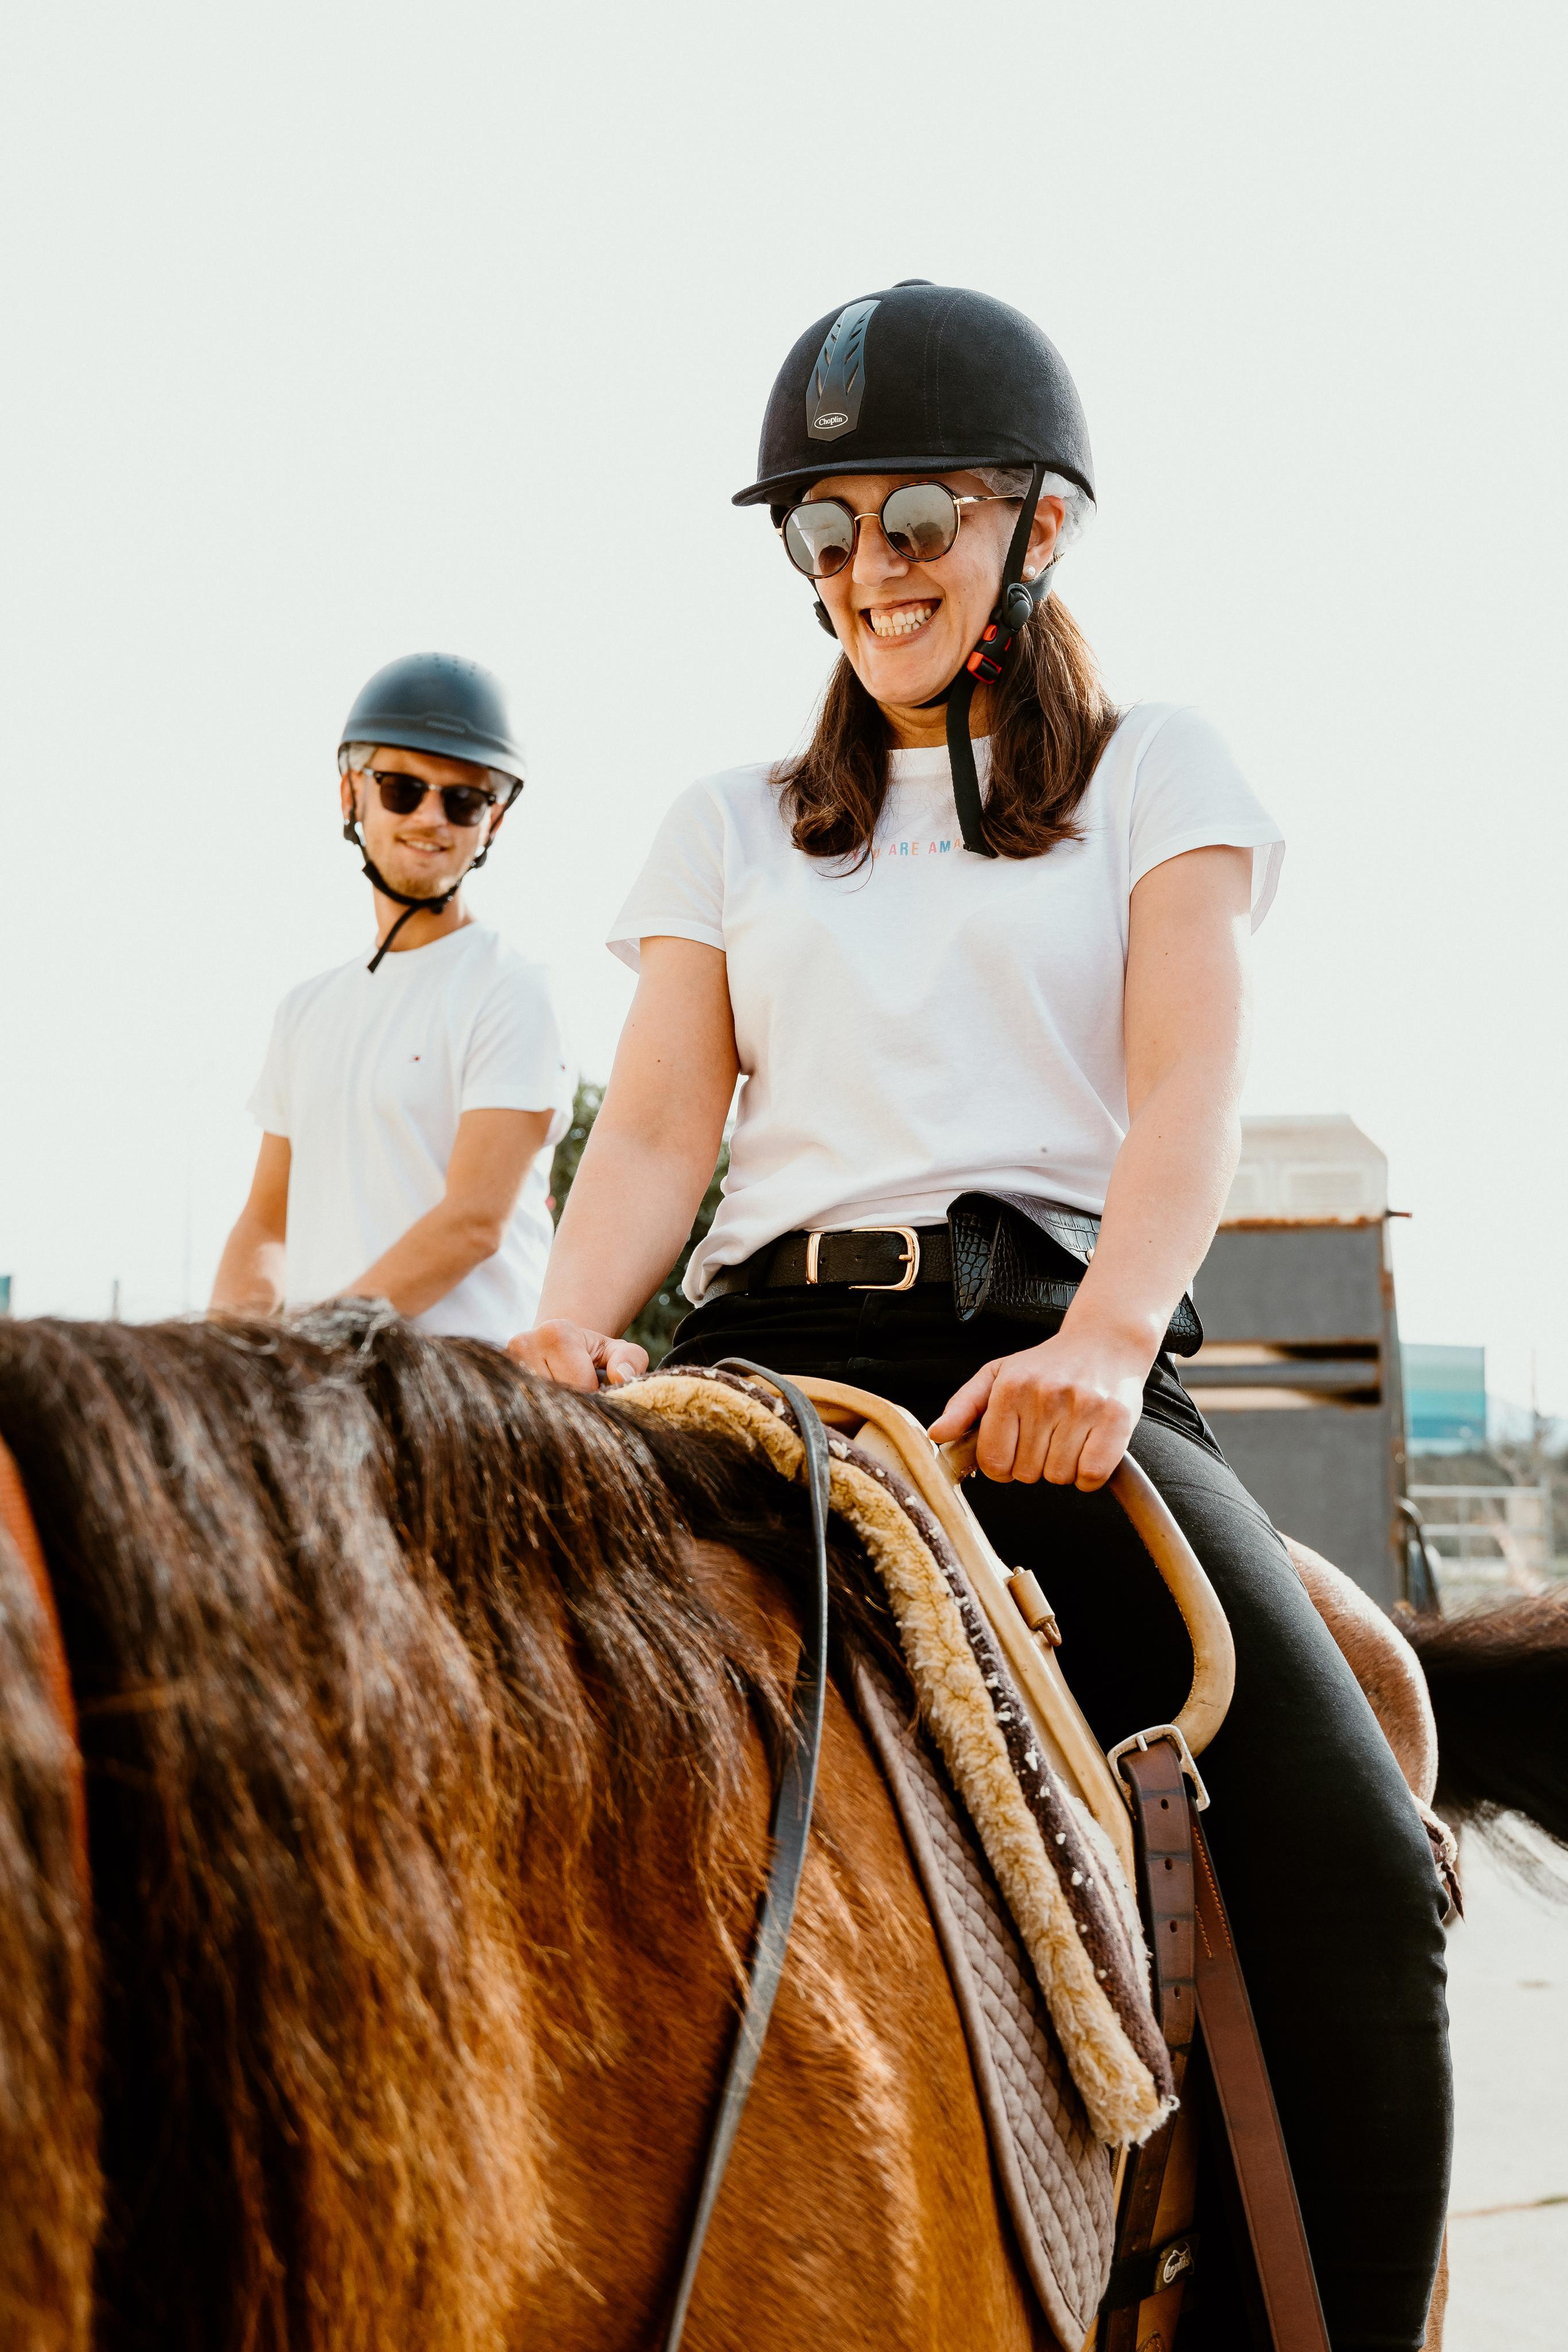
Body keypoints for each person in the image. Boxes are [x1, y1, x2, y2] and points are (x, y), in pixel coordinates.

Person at [508, 282, 1452, 2345]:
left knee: (1364, 1878)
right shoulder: (731, 819)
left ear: (1037, 527)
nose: (866, 573)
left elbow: (1187, 1095)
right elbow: (661, 1132)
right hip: (771, 1373)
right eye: (821, 534)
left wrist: (1111, 1346)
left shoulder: (1154, 773)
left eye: (915, 517)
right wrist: (578, 1325)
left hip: (1047, 1372)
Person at [211, 651, 574, 1343]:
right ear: (351, 793)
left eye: (464, 799)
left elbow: (472, 1222)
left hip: (466, 1399)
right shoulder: (304, 1011)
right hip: (331, 1399)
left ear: (492, 823)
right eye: (402, 788)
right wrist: (225, 1362)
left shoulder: (514, 990)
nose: (432, 817)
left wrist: (310, 1348)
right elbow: (265, 1220)